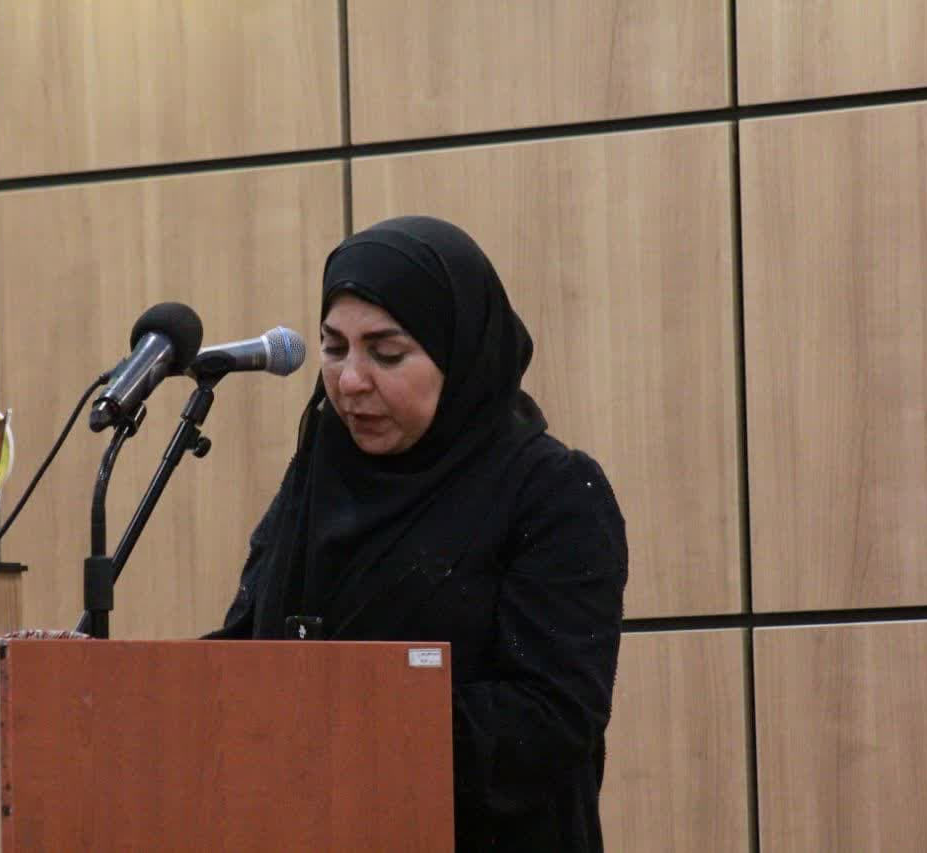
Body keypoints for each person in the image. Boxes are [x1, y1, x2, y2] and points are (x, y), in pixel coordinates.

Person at [207, 215, 628, 850]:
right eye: (334, 348)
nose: (351, 380)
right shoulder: (319, 473)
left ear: (460, 355)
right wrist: (123, 683)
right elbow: (247, 655)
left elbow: (552, 719)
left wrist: (351, 719)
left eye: (387, 353)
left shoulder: (550, 492)